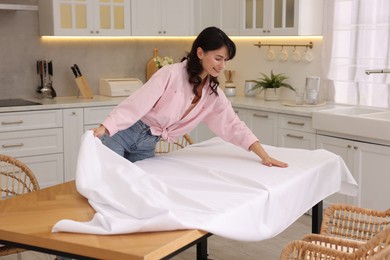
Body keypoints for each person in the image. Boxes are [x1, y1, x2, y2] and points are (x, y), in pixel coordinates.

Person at [93, 26, 287, 168]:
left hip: (146, 146)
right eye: (218, 58)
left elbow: (233, 126)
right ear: (200, 52)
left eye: (225, 60)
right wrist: (107, 126)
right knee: (109, 186)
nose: (222, 66)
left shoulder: (213, 95)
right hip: (121, 136)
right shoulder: (170, 74)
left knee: (140, 191)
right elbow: (137, 103)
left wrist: (264, 156)